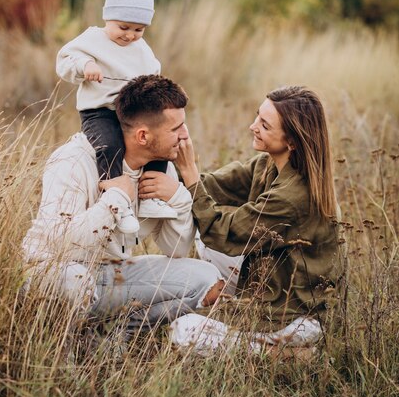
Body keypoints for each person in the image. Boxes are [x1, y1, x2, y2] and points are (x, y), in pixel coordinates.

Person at [22, 75, 224, 340]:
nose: (185, 136)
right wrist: (116, 198)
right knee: (77, 281)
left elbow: (176, 249)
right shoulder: (72, 161)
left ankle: (116, 334)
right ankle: (64, 351)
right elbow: (59, 244)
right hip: (56, 271)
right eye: (176, 128)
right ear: (143, 135)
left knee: (207, 279)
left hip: (111, 273)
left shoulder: (161, 169)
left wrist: (179, 198)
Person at [139, 86, 341, 344]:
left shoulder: (293, 197)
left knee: (184, 330)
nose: (252, 126)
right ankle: (230, 311)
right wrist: (155, 170)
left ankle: (281, 352)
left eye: (265, 125)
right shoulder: (269, 164)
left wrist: (188, 173)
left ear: (292, 141)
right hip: (266, 280)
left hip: (290, 313)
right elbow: (214, 186)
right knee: (202, 241)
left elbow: (224, 232)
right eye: (258, 116)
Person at [56, 0, 176, 234]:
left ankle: (151, 198)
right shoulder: (92, 39)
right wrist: (85, 65)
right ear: (108, 18)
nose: (130, 35)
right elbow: (65, 60)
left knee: (160, 140)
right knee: (109, 144)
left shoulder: (142, 50)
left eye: (138, 29)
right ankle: (116, 198)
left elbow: (153, 73)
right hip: (100, 111)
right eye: (123, 27)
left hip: (133, 112)